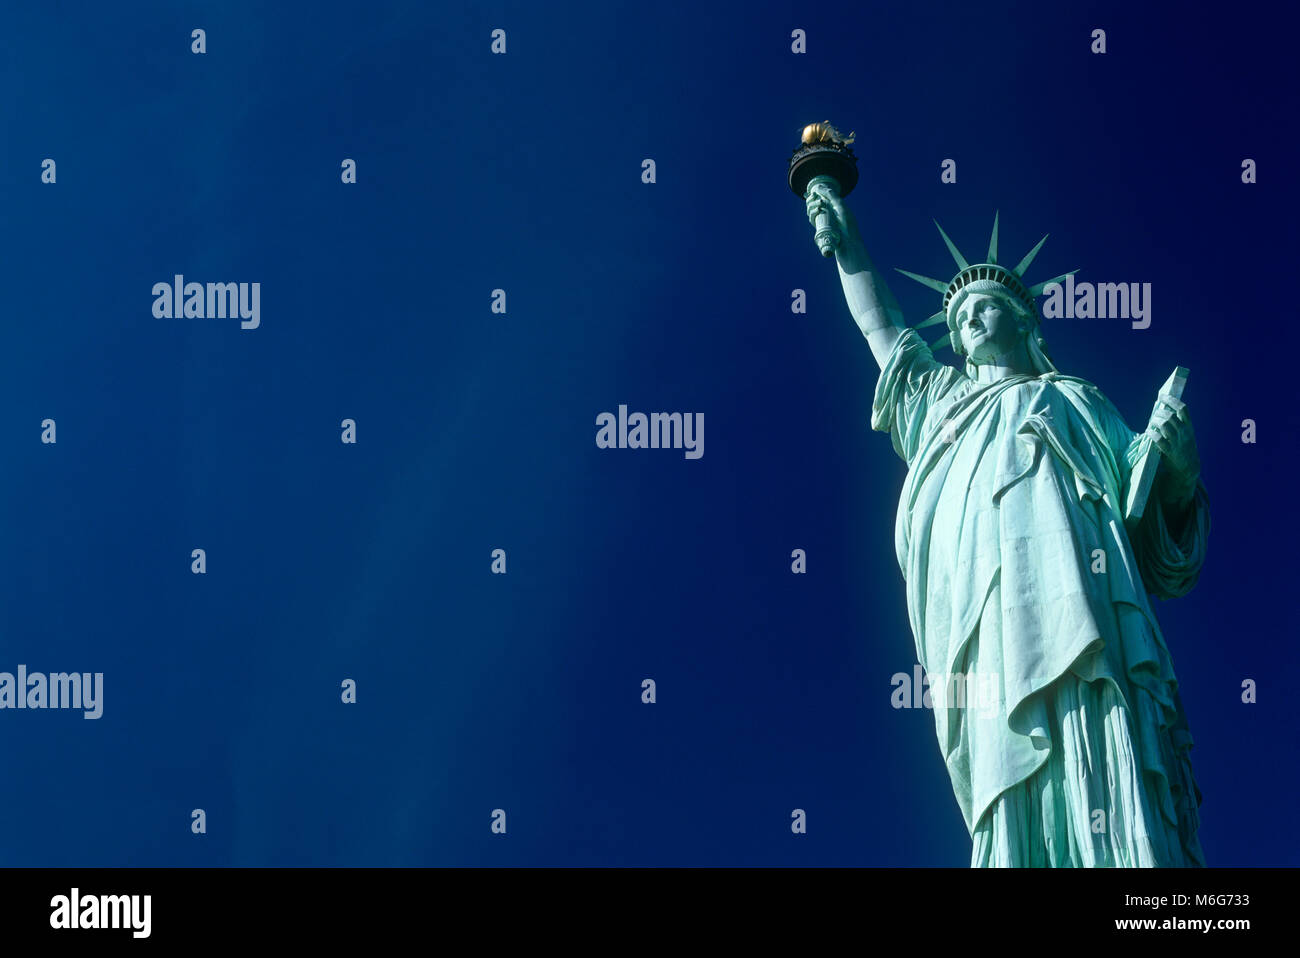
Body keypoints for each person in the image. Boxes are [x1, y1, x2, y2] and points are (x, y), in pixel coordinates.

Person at [806, 185, 1207, 866]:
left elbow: (1150, 517)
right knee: (1003, 741)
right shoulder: (941, 402)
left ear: (1026, 322)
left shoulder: (1077, 398)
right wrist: (848, 246)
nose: (971, 320)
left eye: (988, 306)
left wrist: (1178, 462)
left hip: (1086, 593)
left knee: (1099, 713)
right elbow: (883, 331)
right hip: (982, 611)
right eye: (960, 315)